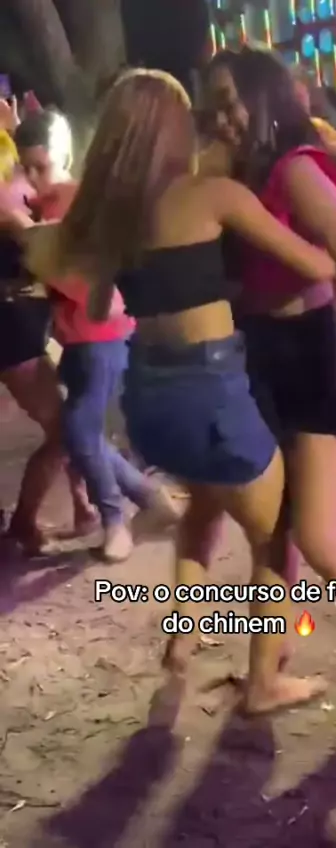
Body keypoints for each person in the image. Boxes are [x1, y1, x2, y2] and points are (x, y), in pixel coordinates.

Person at [29, 69, 336, 714]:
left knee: (204, 508)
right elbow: (318, 264)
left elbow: (79, 285)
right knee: (275, 537)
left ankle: (183, 637)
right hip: (212, 391)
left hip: (148, 399)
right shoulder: (214, 196)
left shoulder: (112, 222)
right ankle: (264, 683)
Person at [203, 45, 336, 721]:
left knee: (317, 536)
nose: (222, 118)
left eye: (230, 103)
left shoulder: (295, 169)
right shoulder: (243, 175)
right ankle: (267, 669)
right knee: (272, 531)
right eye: (213, 108)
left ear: (262, 98)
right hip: (261, 354)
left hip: (313, 356)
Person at [9, 109, 179, 563]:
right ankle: (149, 500)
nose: (33, 176)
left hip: (102, 334)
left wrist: (28, 239)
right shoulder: (47, 202)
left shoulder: (75, 203)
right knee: (79, 432)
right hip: (80, 339)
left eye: (41, 166)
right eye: (26, 167)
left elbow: (84, 276)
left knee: (79, 429)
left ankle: (115, 520)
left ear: (63, 156)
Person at [0, 116, 95, 554]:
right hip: (12, 331)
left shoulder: (19, 187)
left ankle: (83, 505)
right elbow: (42, 245)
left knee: (68, 418)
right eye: (28, 165)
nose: (33, 173)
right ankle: (24, 522)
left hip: (22, 327)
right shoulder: (10, 203)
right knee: (65, 429)